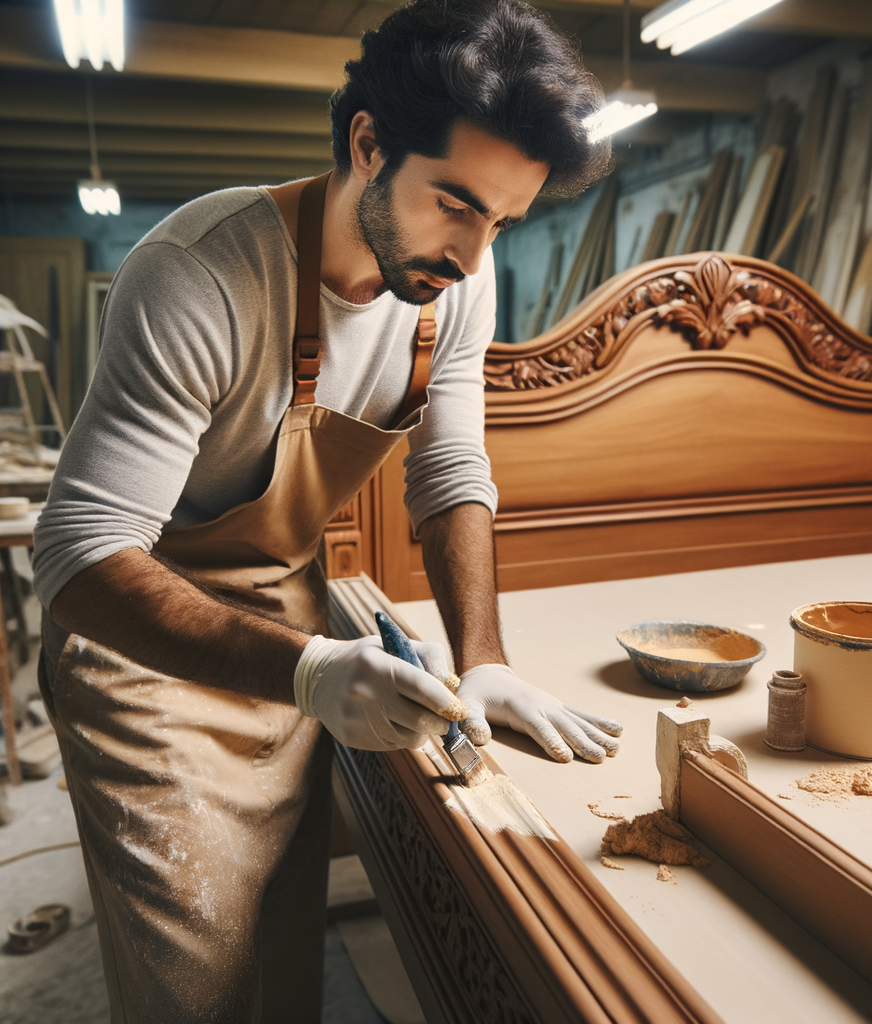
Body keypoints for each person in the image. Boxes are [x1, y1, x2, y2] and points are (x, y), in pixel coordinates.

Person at [32, 0, 622, 1020]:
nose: (475, 256)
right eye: (455, 204)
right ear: (367, 143)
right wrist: (310, 669)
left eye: (502, 220)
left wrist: (482, 656)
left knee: (278, 951)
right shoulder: (201, 273)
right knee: (195, 981)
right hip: (140, 654)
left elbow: (450, 472)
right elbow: (78, 558)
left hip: (285, 626)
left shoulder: (457, 289)